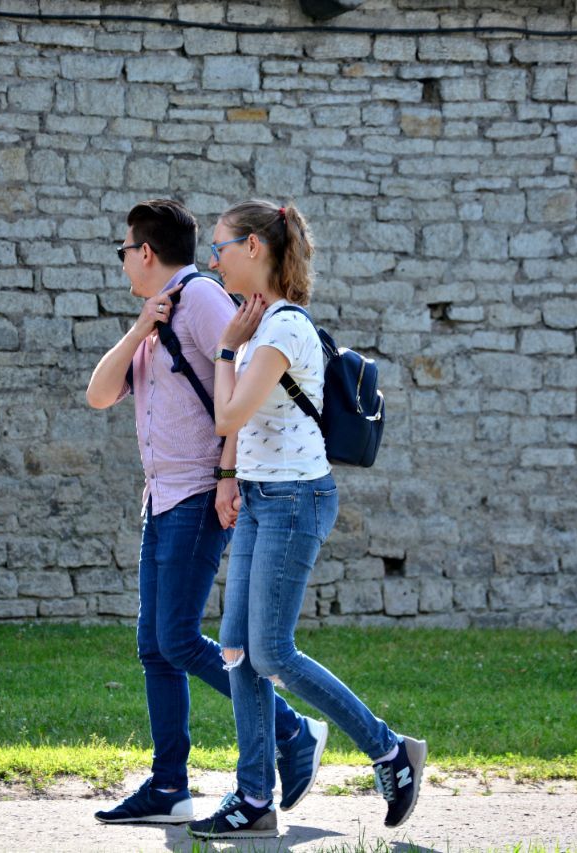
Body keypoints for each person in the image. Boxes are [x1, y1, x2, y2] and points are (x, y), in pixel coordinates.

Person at [187, 200, 427, 840]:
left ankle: (389, 750)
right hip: (261, 497)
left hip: (295, 500)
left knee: (271, 652)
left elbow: (229, 414)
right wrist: (229, 477)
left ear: (254, 248)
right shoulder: (261, 325)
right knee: (237, 650)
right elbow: (244, 428)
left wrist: (225, 348)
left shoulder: (283, 329)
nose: (213, 260)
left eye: (220, 247)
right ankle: (253, 799)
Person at [85, 198, 328, 826]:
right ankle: (170, 785)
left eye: (124, 250)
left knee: (178, 637)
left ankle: (292, 731)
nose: (122, 261)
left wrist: (226, 476)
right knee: (154, 646)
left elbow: (238, 384)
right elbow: (99, 394)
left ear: (144, 252)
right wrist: (139, 329)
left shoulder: (203, 300)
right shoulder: (159, 311)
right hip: (161, 496)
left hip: (198, 493)